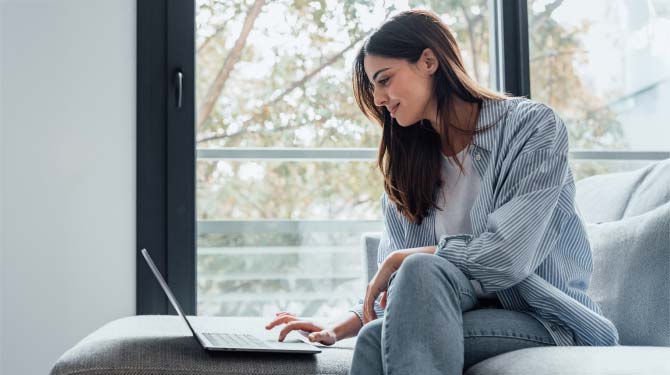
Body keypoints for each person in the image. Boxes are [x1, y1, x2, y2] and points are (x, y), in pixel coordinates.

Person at [265, 9, 619, 375]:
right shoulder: (409, 168)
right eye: (373, 86)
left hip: (542, 318)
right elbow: (397, 293)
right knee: (382, 320)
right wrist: (336, 327)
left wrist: (405, 259)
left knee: (417, 269)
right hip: (451, 306)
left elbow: (507, 258)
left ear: (429, 61)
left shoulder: (531, 127)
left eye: (385, 79)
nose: (379, 98)